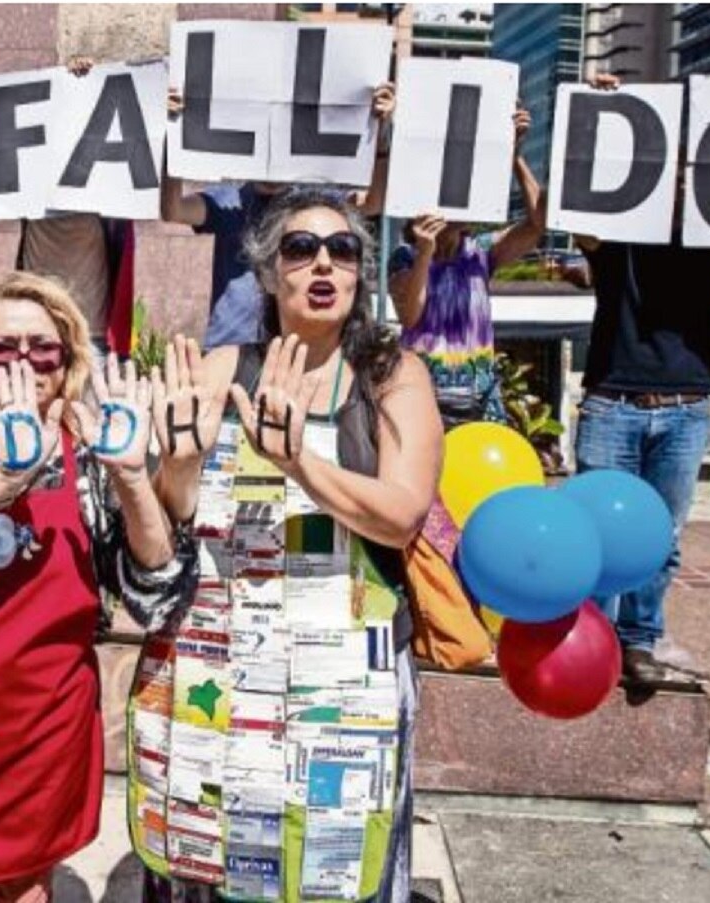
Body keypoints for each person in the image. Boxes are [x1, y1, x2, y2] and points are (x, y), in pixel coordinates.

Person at [139, 188, 443, 903]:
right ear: (269, 273)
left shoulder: (391, 375)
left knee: (334, 859)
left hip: (347, 673)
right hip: (230, 660)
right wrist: (174, 466)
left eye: (342, 250)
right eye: (300, 248)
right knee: (222, 855)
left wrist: (299, 460)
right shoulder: (220, 369)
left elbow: (401, 517)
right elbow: (171, 517)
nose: (323, 264)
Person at [0, 272, 197, 900]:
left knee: (28, 890)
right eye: (4, 348)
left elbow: (158, 593)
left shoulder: (96, 449)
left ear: (69, 357)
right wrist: (0, 482)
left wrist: (132, 477)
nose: (24, 362)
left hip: (43, 723)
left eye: (42, 348)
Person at [571, 68, 710, 685]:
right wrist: (600, 113)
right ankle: (592, 641)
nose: (679, 175)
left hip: (686, 404)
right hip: (613, 400)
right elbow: (582, 210)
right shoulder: (617, 231)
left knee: (662, 538)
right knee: (598, 532)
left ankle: (639, 640)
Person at [160, 84, 395, 350]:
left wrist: (382, 136)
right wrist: (172, 135)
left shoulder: (314, 203)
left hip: (295, 351)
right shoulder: (229, 200)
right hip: (229, 351)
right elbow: (174, 210)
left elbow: (372, 203)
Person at [0, 60, 136, 365]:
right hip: (38, 334)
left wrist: (84, 84)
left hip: (92, 337)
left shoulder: (106, 182)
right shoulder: (27, 180)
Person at [388, 107, 546, 429]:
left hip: (480, 397)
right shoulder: (404, 256)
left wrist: (513, 156)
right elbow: (409, 316)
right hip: (423, 397)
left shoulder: (481, 252)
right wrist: (425, 253)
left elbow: (538, 223)